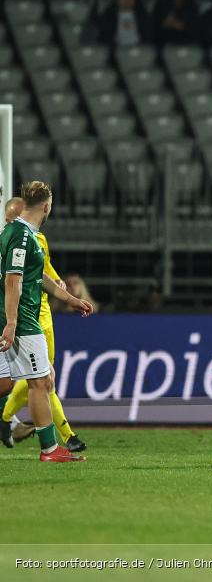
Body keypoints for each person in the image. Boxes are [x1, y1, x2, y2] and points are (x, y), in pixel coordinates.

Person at [0, 182, 94, 461]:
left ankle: (50, 448)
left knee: (30, 379)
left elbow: (36, 277)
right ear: (46, 205)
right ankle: (50, 450)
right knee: (40, 381)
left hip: (22, 315)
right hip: (23, 318)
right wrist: (13, 322)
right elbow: (13, 281)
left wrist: (70, 299)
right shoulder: (22, 236)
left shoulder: (23, 233)